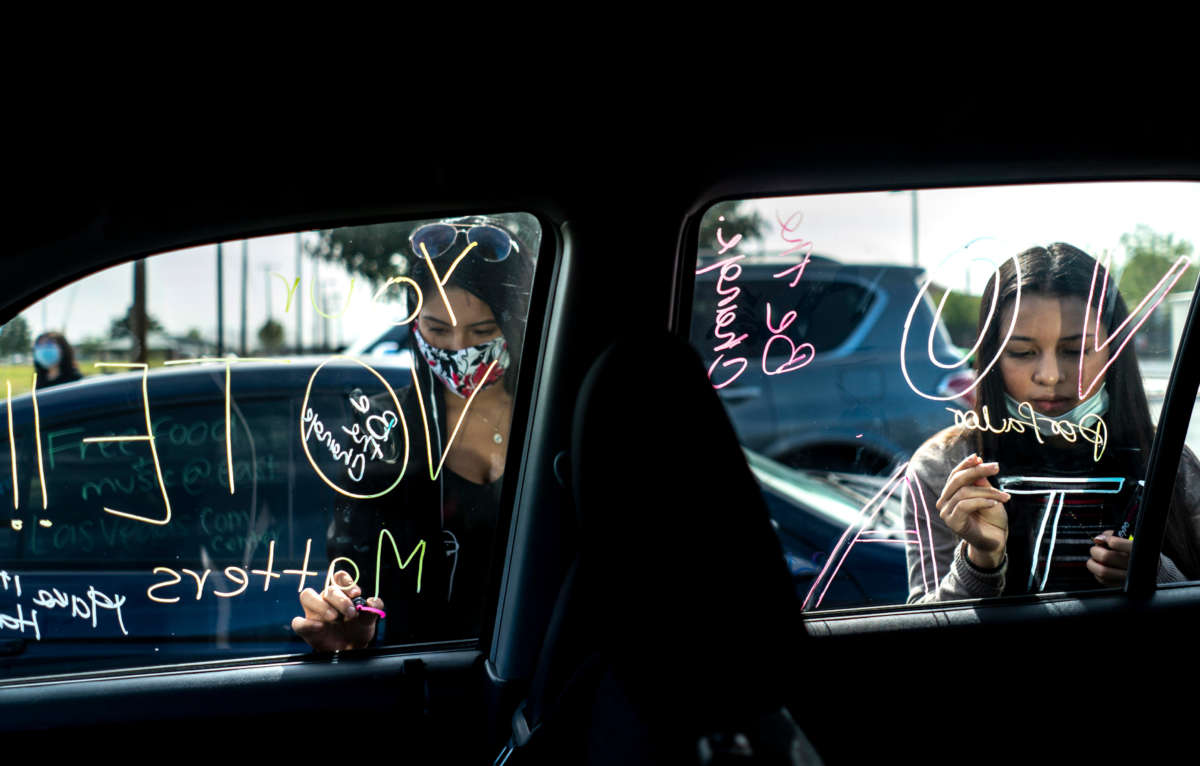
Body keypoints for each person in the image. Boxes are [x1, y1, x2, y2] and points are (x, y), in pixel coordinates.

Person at [905, 243, 1200, 604]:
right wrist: (980, 561)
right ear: (992, 356)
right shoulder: (945, 467)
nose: (1050, 376)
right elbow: (919, 622)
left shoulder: (1172, 464)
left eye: (1075, 350)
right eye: (1022, 352)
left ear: (1114, 350)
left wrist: (1158, 578)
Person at [292, 216, 535, 650]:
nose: (459, 348)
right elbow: (354, 571)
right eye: (437, 329)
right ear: (412, 325)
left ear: (517, 325)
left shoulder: (554, 413)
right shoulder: (383, 432)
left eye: (483, 331)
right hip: (427, 681)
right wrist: (350, 616)